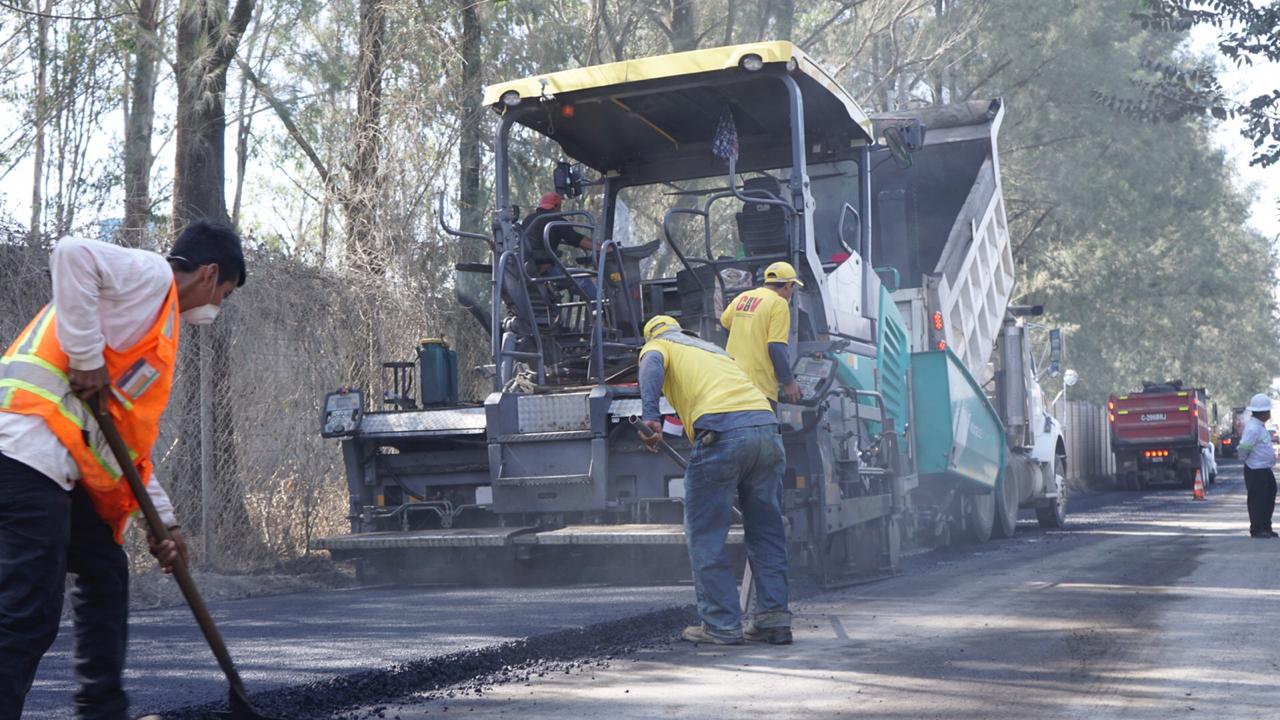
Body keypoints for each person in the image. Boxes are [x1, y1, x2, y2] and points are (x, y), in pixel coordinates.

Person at [0, 220, 247, 719]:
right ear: (210, 273)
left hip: (55, 461)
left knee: (105, 570)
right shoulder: (151, 276)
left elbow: (126, 448)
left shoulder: (155, 326)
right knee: (27, 612)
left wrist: (165, 522)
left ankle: (103, 709)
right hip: (22, 450)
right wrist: (86, 357)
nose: (219, 304)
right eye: (224, 292)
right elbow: (72, 252)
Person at [638, 315, 791, 645]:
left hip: (722, 436)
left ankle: (721, 625)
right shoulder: (713, 350)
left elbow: (651, 364)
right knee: (767, 531)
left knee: (707, 534)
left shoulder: (657, 345)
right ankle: (773, 620)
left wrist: (651, 417)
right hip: (766, 431)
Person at [720, 261, 803, 406]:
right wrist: (788, 382)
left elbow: (725, 322)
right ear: (788, 286)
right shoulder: (779, 303)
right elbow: (776, 346)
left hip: (732, 382)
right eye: (792, 287)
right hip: (758, 388)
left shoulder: (743, 297)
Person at [520, 192, 597, 300]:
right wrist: (602, 247)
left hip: (529, 270)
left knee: (573, 281)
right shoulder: (556, 220)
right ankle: (601, 312)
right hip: (547, 271)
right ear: (556, 206)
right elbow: (576, 239)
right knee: (584, 280)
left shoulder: (529, 219)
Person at [1236, 393, 1277, 539]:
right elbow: (1243, 450)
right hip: (1255, 469)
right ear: (1262, 412)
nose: (1269, 413)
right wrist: (1249, 461)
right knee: (1258, 499)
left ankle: (1266, 527)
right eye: (1268, 410)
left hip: (1264, 469)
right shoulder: (1253, 428)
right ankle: (1257, 529)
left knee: (1269, 496)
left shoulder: (1260, 426)